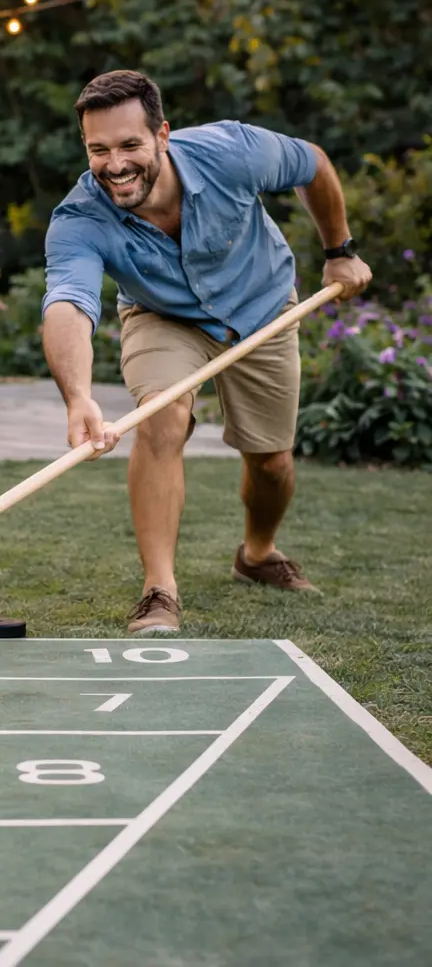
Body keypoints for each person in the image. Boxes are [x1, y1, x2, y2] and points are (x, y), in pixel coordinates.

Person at [42, 70, 372, 636]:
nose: (114, 164)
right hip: (163, 315)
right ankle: (159, 590)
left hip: (262, 305)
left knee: (271, 463)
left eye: (129, 145)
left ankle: (258, 554)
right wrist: (77, 397)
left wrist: (339, 250)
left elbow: (312, 163)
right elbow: (68, 303)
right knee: (161, 419)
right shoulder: (79, 217)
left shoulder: (230, 152)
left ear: (163, 135)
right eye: (98, 149)